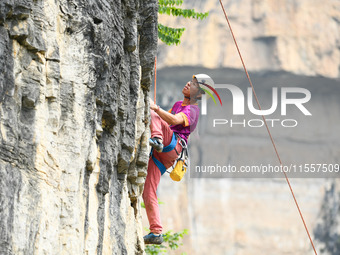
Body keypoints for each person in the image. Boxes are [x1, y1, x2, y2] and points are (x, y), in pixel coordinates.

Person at [142, 74, 214, 245]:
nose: (189, 83)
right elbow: (164, 120)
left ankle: (157, 139)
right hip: (165, 155)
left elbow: (173, 120)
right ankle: (156, 231)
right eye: (190, 81)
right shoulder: (177, 105)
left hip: (172, 146)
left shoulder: (193, 110)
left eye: (194, 84)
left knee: (155, 113)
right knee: (148, 190)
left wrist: (156, 109)